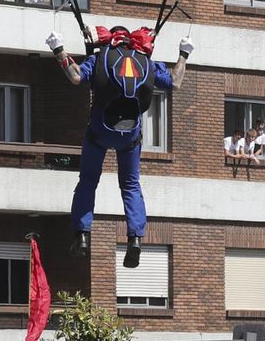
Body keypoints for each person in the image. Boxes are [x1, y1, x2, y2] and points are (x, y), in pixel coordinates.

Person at [47, 18, 192, 265]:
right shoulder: (146, 62)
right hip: (130, 135)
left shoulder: (100, 57)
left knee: (88, 181)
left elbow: (75, 76)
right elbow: (175, 82)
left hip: (100, 131)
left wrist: (58, 49)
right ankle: (135, 239)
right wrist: (183, 54)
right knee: (131, 185)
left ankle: (82, 235)